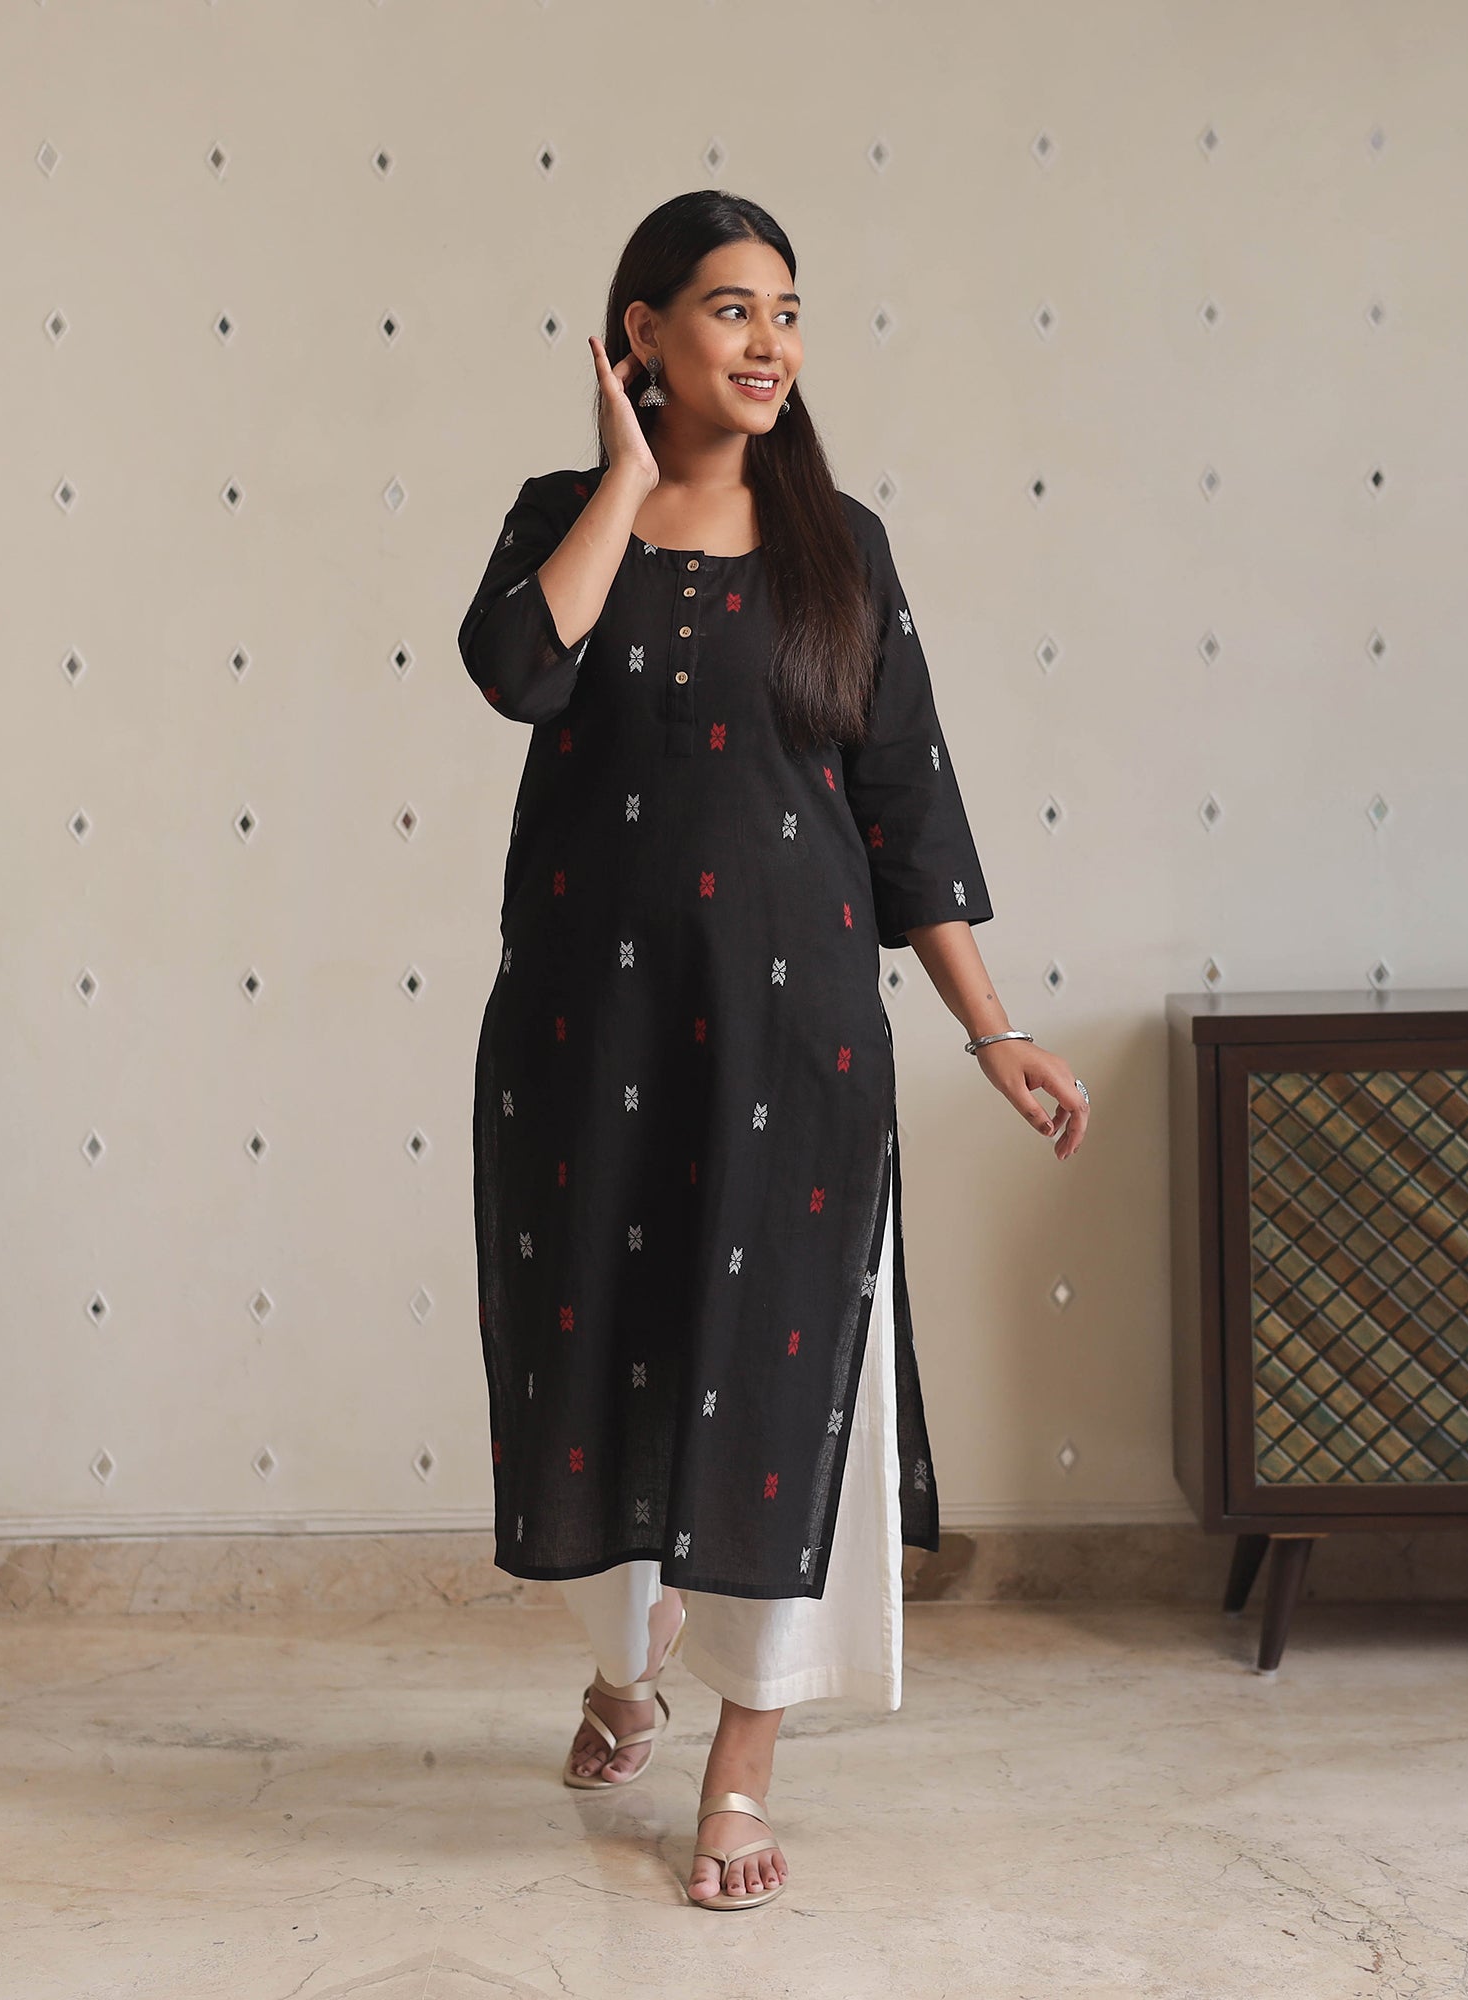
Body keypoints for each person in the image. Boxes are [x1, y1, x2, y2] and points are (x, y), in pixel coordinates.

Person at [456, 190, 1091, 1911]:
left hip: (794, 1037)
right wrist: (620, 475)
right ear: (644, 332)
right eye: (732, 308)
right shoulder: (559, 518)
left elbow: (907, 806)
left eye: (788, 312)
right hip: (588, 1035)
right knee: (598, 1368)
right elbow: (515, 673)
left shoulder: (839, 547)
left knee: (783, 1388)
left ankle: (738, 1770)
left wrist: (993, 1028)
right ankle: (625, 1668)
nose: (770, 343)